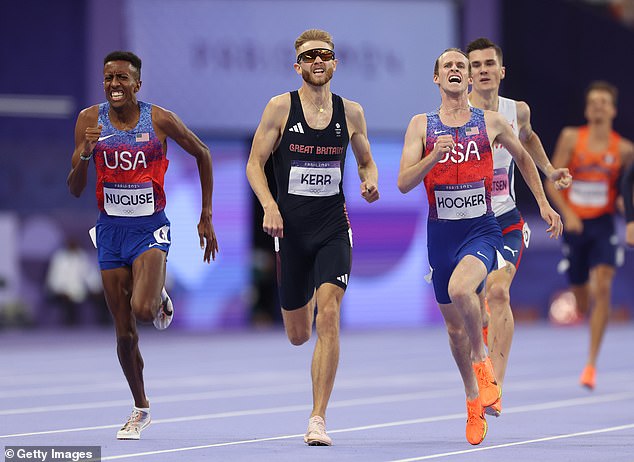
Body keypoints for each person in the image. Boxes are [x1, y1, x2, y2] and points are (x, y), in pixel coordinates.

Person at [397, 48, 562, 445]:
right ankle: (473, 398)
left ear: (470, 80)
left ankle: (482, 360)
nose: (455, 70)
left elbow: (523, 158)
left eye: (461, 66)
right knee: (454, 329)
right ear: (437, 79)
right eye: (447, 66)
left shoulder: (490, 121)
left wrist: (542, 201)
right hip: (441, 235)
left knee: (461, 289)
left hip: (482, 229)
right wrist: (432, 158)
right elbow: (403, 182)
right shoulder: (421, 124)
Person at [67, 51, 218, 440]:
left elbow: (202, 153)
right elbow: (75, 187)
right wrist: (85, 153)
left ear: (137, 84)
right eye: (107, 78)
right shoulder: (88, 120)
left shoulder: (160, 120)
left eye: (121, 78)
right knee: (123, 332)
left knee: (144, 309)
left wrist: (206, 215)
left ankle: (157, 294)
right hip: (111, 231)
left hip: (150, 228)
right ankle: (140, 407)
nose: (113, 84)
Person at [246, 29, 379, 446]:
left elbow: (367, 162)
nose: (317, 62)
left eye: (325, 55)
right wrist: (269, 204)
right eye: (309, 57)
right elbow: (254, 164)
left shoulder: (351, 112)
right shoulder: (280, 107)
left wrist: (369, 182)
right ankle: (299, 304)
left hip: (334, 230)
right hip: (292, 234)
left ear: (335, 63)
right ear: (298, 65)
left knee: (330, 315)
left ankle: (318, 418)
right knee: (299, 334)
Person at [466, 37, 572, 416]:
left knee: (498, 294)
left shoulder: (517, 111)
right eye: (474, 65)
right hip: (465, 223)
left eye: (488, 64)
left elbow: (527, 143)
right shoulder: (457, 116)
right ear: (466, 74)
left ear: (501, 71)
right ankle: (479, 351)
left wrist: (547, 180)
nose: (482, 70)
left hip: (506, 219)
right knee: (474, 309)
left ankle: (495, 385)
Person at [546, 81, 634, 390]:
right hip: (575, 227)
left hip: (603, 225)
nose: (597, 106)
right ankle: (584, 304)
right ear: (586, 108)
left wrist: (627, 210)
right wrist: (567, 213)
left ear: (613, 109)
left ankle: (591, 364)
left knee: (604, 284)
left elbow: (627, 189)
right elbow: (551, 181)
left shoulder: (624, 150)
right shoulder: (571, 138)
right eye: (592, 101)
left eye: (603, 102)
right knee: (583, 301)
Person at [46, 236, 106, 326]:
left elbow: (89, 274)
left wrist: (96, 288)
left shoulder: (82, 256)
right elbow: (54, 278)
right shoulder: (60, 258)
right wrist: (61, 291)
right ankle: (69, 327)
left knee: (103, 298)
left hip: (79, 291)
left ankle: (104, 325)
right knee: (67, 303)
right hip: (62, 291)